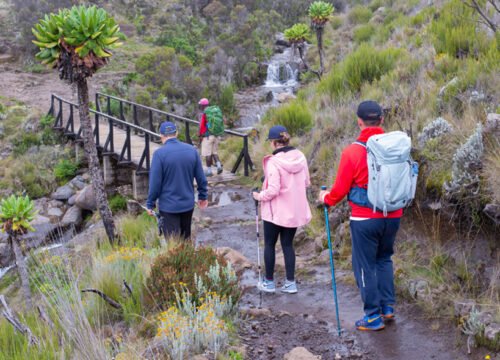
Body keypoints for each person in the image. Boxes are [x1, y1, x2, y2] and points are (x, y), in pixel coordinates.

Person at [319, 100, 402, 331]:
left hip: (365, 218)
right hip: (393, 214)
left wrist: (325, 198)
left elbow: (339, 191)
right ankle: (388, 308)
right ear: (382, 120)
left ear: (359, 122)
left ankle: (372, 317)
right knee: (384, 259)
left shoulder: (353, 152)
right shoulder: (396, 146)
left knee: (365, 266)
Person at [252, 125, 312, 294]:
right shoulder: (301, 157)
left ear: (273, 143)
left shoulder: (273, 162)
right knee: (287, 244)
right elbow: (307, 182)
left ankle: (269, 283)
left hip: (275, 213)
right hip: (293, 211)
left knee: (270, 244)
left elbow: (272, 190)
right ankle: (290, 283)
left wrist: (258, 196)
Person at [147, 121, 208, 240]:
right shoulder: (192, 150)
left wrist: (150, 203)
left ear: (161, 135)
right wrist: (203, 196)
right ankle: (188, 258)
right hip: (187, 205)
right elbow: (201, 177)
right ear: (177, 133)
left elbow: (155, 183)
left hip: (168, 207)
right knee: (186, 240)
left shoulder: (159, 154)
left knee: (173, 245)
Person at [198, 98, 223, 176]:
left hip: (208, 136)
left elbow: (202, 126)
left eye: (200, 105)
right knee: (214, 152)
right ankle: (219, 166)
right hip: (216, 135)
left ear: (202, 106)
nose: (200, 106)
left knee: (207, 154)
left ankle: (209, 171)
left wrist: (200, 135)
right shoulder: (214, 111)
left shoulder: (205, 113)